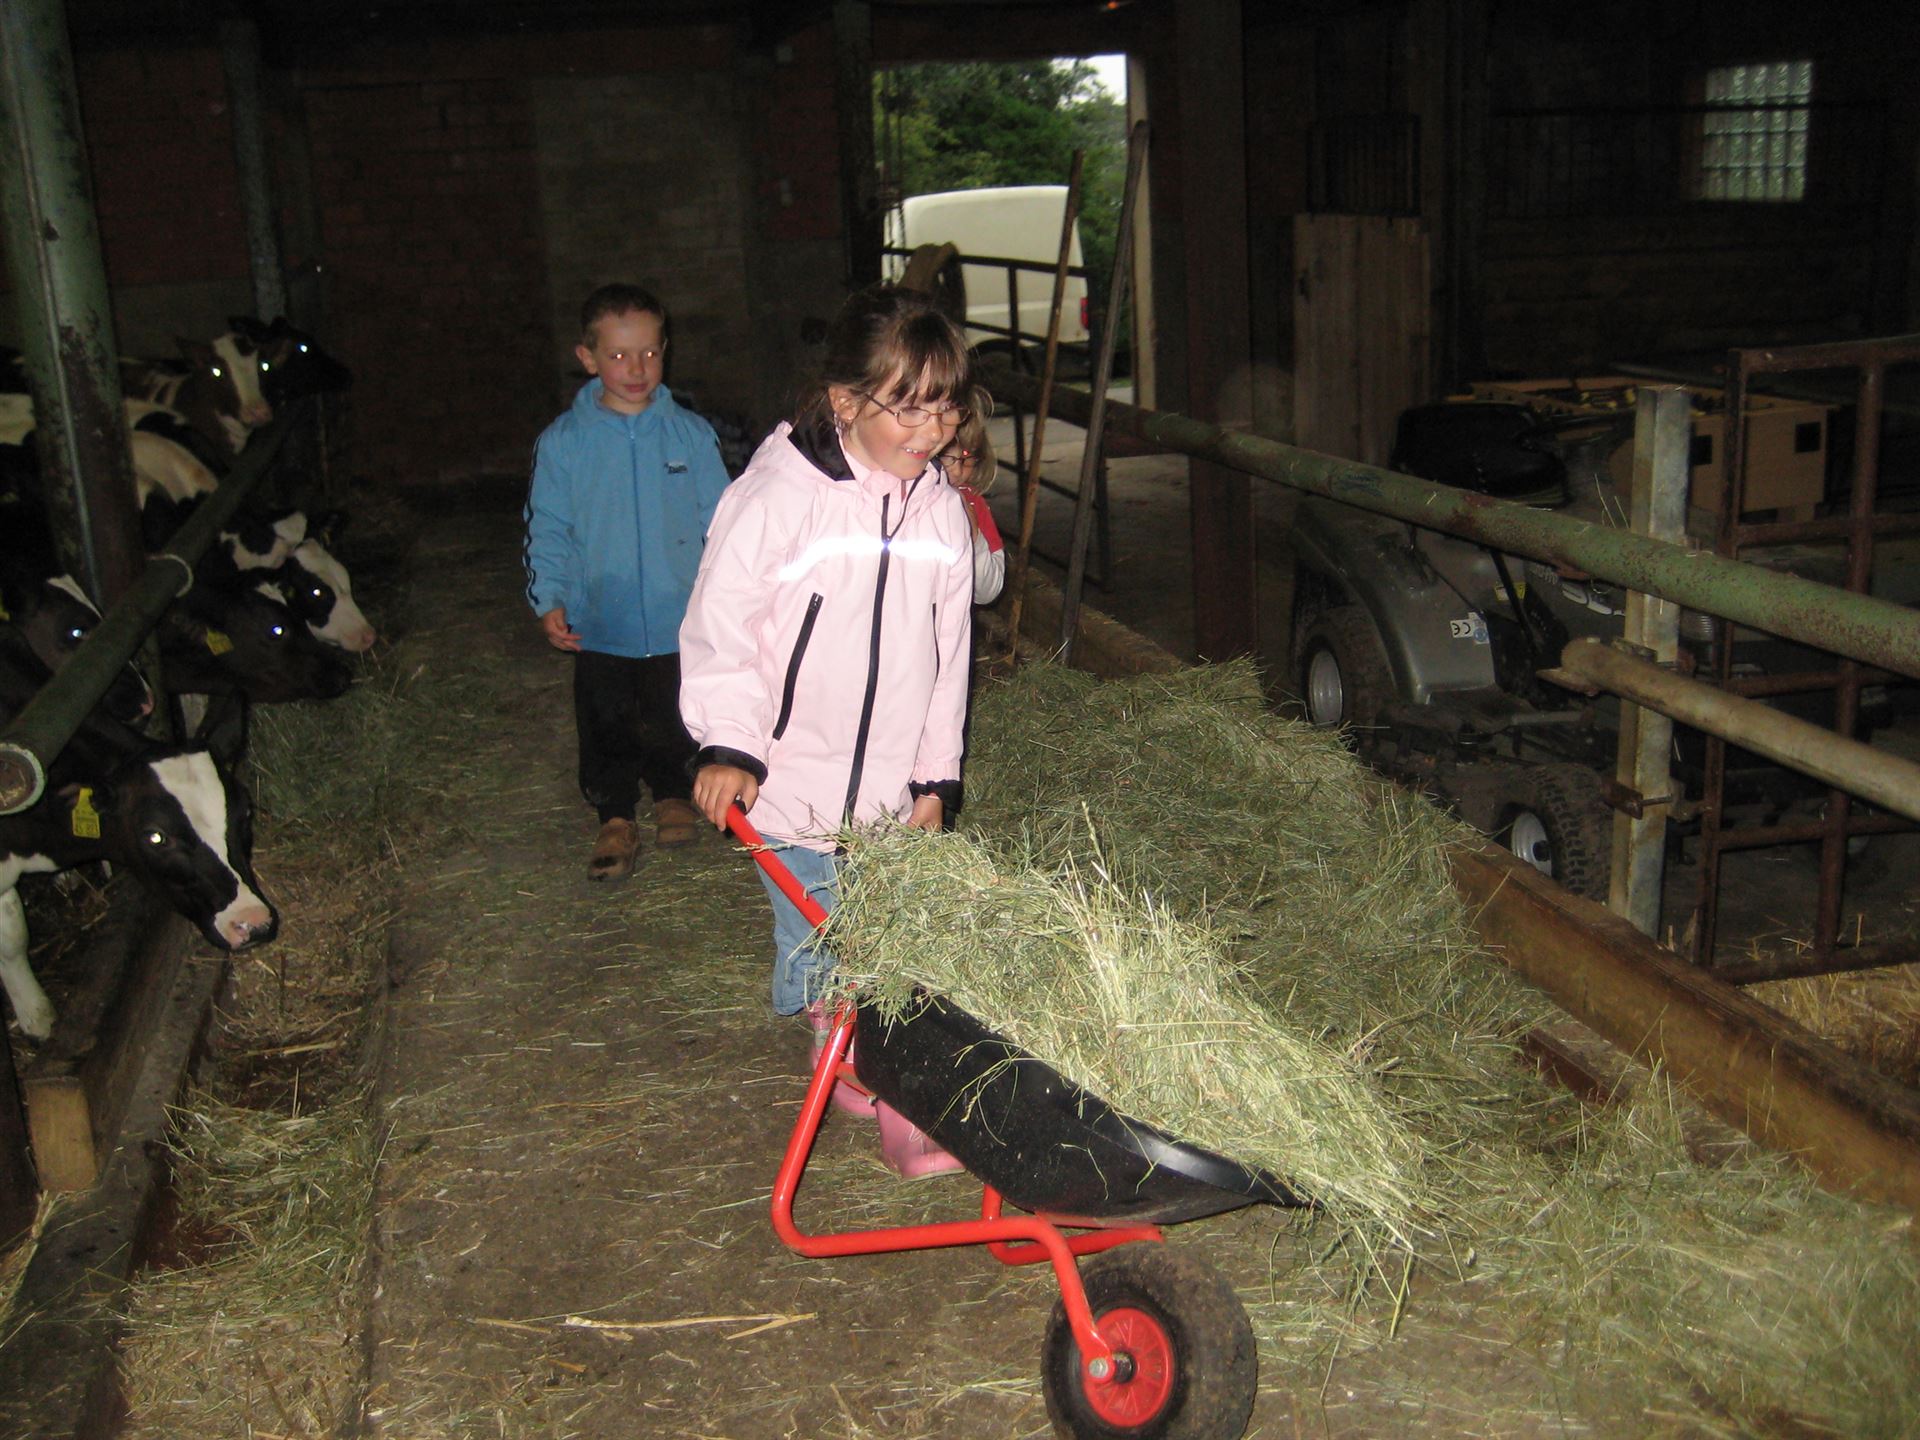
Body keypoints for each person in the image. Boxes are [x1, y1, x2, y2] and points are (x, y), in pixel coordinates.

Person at [679, 284, 976, 1172]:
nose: (931, 431)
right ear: (845, 403)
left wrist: (935, 776)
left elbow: (948, 657)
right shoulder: (780, 497)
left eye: (946, 407)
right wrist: (729, 742)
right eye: (907, 408)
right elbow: (722, 625)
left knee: (889, 933)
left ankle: (858, 1053)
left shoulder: (941, 513)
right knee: (827, 939)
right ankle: (857, 1064)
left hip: (886, 790)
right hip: (789, 780)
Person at [525, 283, 732, 881]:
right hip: (601, 614)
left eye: (649, 353)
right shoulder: (564, 443)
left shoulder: (690, 435)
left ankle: (674, 794)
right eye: (618, 355)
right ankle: (614, 814)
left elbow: (723, 521)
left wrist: (722, 597)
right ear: (588, 358)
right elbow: (548, 525)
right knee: (606, 717)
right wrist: (550, 596)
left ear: (665, 351)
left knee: (676, 710)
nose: (636, 368)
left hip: (679, 612)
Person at [939, 388, 1006, 605]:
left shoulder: (973, 503)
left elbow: (987, 592)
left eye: (967, 457)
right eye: (944, 456)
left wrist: (974, 534)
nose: (957, 471)